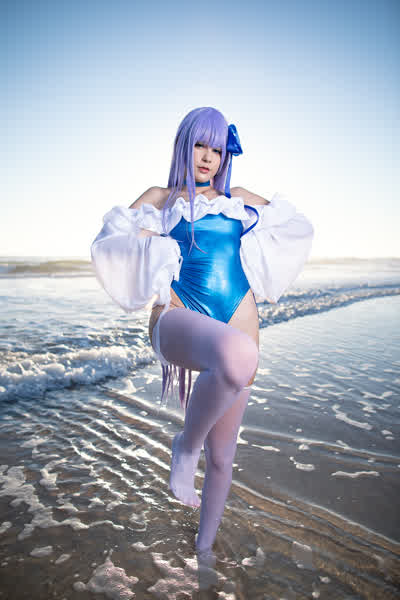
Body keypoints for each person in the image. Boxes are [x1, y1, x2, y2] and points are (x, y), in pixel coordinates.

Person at [91, 106, 314, 557]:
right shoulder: (162, 198)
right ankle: (184, 445)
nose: (209, 157)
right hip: (178, 316)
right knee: (238, 356)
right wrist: (155, 250)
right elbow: (111, 242)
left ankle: (204, 552)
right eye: (200, 145)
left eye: (218, 149)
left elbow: (295, 226)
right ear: (183, 146)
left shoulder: (238, 198)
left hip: (238, 317)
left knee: (224, 456)